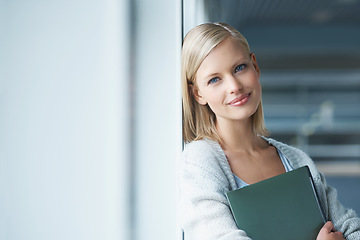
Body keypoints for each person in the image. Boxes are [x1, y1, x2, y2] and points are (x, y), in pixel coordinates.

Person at [179, 22, 360, 240]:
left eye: (239, 68)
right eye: (215, 79)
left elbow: (351, 228)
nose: (234, 86)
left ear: (255, 66)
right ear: (198, 94)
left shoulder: (295, 159)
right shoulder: (200, 161)